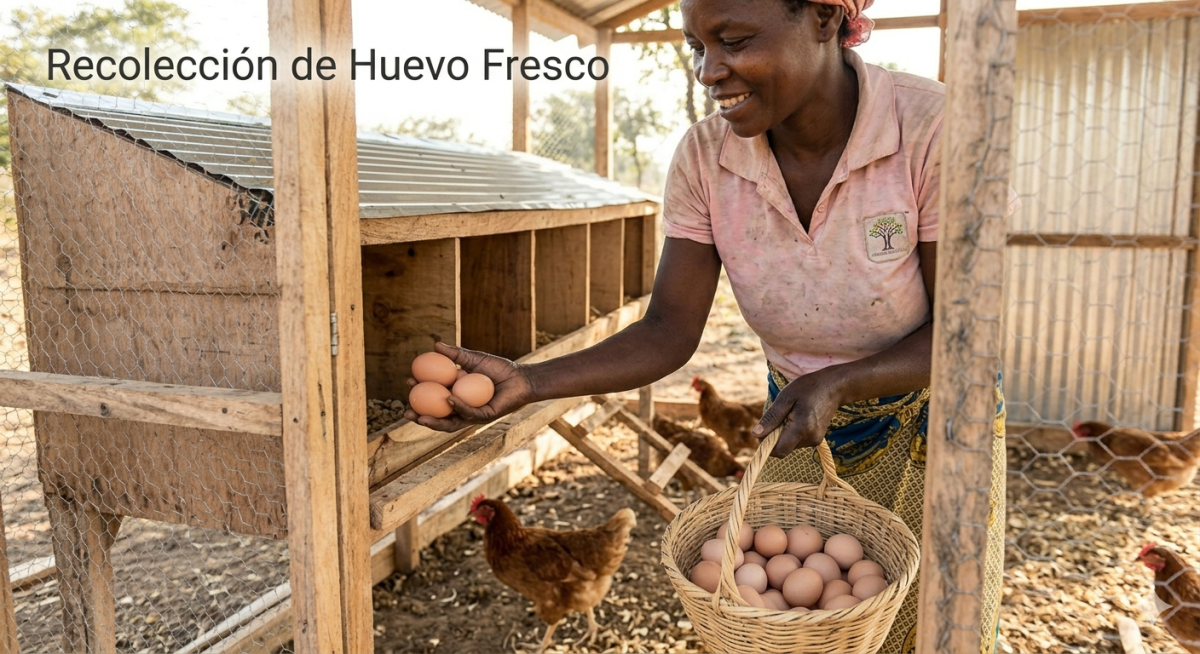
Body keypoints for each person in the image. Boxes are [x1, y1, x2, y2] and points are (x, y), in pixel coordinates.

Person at [408, 0, 1015, 650]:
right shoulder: (706, 158)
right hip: (798, 423)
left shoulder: (930, 128)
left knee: (929, 619)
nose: (707, 70)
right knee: (800, 622)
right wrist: (528, 382)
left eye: (733, 39)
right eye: (698, 47)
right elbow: (669, 328)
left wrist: (841, 381)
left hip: (939, 420)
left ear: (823, 17)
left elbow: (964, 334)